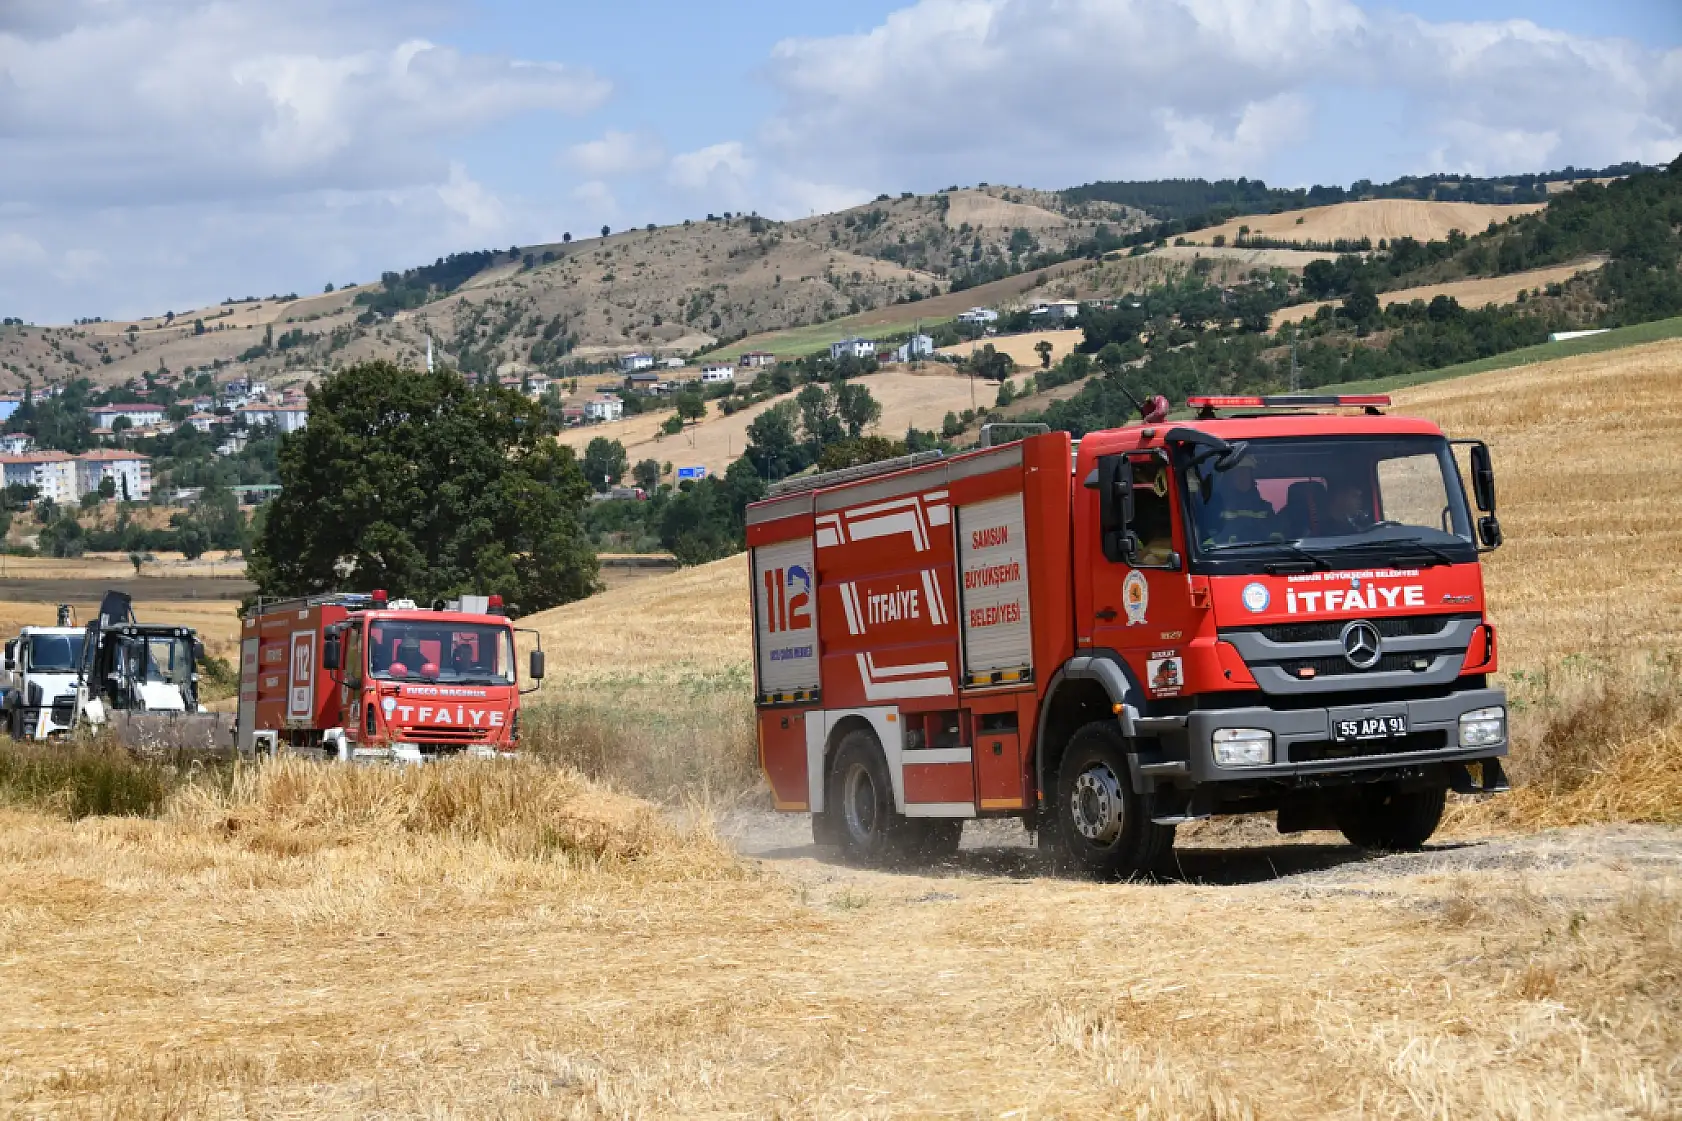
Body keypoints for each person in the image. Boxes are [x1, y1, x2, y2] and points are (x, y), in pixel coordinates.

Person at [1203, 452, 1276, 544]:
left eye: (1246, 472)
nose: (1243, 476)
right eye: (1237, 472)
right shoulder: (1215, 507)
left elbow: (1275, 538)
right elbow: (1208, 541)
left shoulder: (1265, 508)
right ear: (1228, 477)